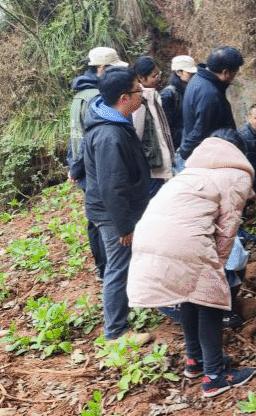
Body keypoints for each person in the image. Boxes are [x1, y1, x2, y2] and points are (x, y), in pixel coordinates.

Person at [127, 129, 256, 398]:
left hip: (147, 233)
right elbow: (228, 228)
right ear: (238, 152)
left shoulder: (191, 171)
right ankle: (215, 376)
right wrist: (219, 265)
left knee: (189, 294)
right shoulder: (236, 174)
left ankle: (195, 360)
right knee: (210, 300)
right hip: (183, 240)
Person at [82, 66, 151, 342]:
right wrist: (124, 226)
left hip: (114, 210)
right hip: (112, 215)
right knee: (118, 268)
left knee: (122, 264)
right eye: (138, 89)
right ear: (124, 98)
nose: (142, 94)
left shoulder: (111, 119)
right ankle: (116, 332)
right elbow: (112, 186)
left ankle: (129, 309)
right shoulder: (110, 135)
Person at [66, 47, 128, 280]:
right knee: (105, 220)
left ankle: (103, 269)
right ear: (102, 69)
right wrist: (77, 167)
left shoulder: (79, 95)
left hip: (83, 167)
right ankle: (110, 271)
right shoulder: (96, 97)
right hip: (94, 168)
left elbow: (74, 134)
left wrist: (73, 166)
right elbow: (88, 138)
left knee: (94, 220)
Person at [176, 46, 243, 172]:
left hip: (194, 153)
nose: (234, 77)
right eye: (235, 73)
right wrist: (184, 152)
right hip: (198, 160)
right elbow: (200, 132)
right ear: (225, 72)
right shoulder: (210, 94)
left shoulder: (198, 78)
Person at [131, 56, 174, 199]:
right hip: (151, 167)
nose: (158, 78)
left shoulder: (154, 95)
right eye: (154, 76)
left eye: (158, 74)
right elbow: (137, 136)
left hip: (159, 162)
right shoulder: (139, 103)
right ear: (141, 79)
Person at [161, 55, 198, 153]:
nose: (192, 75)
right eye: (189, 72)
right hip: (178, 146)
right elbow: (167, 128)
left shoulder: (189, 90)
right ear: (178, 72)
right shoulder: (168, 95)